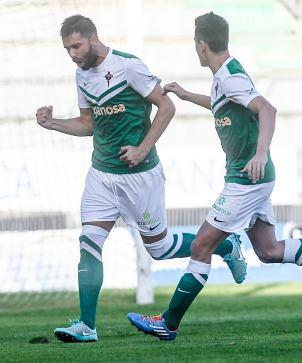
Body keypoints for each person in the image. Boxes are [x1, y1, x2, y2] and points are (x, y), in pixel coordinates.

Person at [127, 12, 302, 341]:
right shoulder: (225, 75)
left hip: (246, 179)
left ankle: (168, 323)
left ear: (202, 45)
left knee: (202, 246)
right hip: (253, 178)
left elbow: (267, 109)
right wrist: (187, 95)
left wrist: (260, 152)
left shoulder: (229, 76)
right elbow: (224, 103)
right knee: (269, 250)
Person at [35, 15, 248, 343]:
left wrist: (142, 147)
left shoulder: (128, 66)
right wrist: (55, 124)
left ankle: (224, 244)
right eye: (67, 49)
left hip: (140, 177)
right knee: (88, 242)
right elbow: (88, 124)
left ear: (93, 38)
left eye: (76, 45)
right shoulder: (81, 76)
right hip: (101, 176)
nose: (73, 54)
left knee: (159, 249)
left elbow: (166, 107)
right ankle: (87, 326)